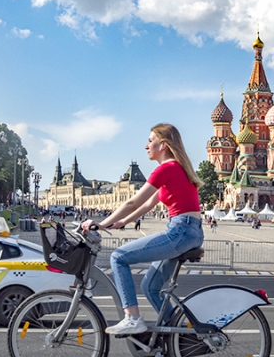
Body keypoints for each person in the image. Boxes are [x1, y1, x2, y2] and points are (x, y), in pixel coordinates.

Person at [81, 123, 203, 335]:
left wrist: (100, 223)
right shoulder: (177, 169)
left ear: (163, 145)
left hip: (180, 230)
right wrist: (120, 222)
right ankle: (178, 336)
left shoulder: (166, 168)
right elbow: (148, 205)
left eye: (150, 140)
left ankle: (132, 318)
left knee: (118, 257)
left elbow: (133, 202)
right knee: (150, 287)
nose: (146, 146)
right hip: (188, 231)